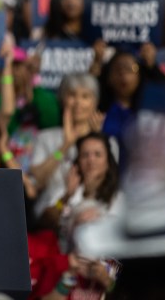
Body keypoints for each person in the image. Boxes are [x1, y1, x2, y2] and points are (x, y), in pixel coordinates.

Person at [30, 73, 115, 224]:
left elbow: (110, 184)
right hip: (52, 213)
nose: (78, 103)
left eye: (85, 96)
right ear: (62, 99)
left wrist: (98, 138)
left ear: (95, 102)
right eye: (72, 95)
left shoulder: (108, 142)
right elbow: (37, 181)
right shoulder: (45, 137)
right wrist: (65, 146)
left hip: (95, 215)